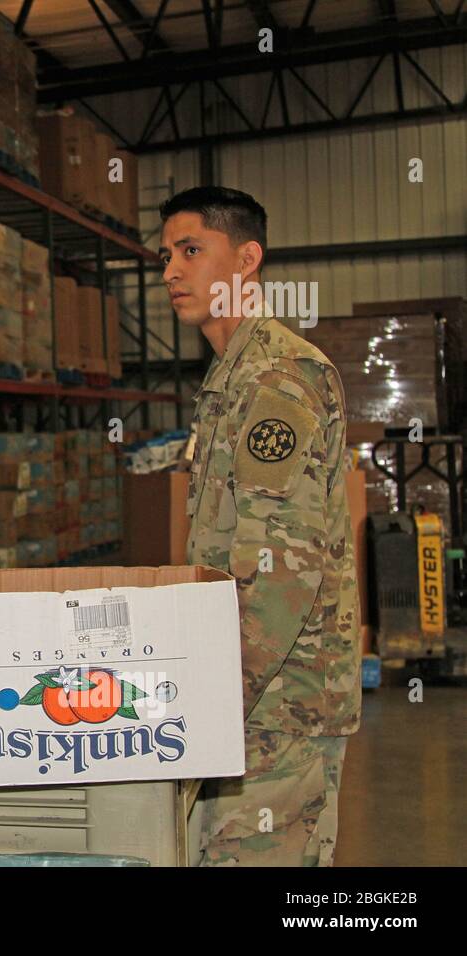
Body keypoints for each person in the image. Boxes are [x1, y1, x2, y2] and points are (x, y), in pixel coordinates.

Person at [159, 186, 359, 867]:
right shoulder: (230, 377)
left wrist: (209, 704)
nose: (170, 272)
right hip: (250, 701)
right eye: (165, 255)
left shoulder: (277, 377)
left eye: (191, 251)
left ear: (247, 259)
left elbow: (281, 572)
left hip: (279, 706)